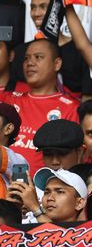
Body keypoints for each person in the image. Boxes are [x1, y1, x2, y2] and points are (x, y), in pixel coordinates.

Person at [1, 40, 79, 172]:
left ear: (57, 64)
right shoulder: (7, 100)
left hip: (46, 187)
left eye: (38, 57)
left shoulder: (71, 108)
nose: (30, 63)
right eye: (26, 58)